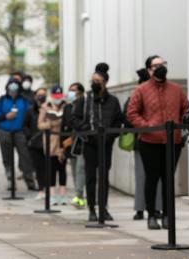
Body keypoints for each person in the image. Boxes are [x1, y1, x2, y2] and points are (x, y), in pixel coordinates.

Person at [127, 55, 188, 230]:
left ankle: (168, 216)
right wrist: (147, 126)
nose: (160, 67)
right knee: (152, 179)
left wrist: (180, 126)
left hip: (173, 141)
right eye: (156, 65)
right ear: (149, 70)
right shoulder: (141, 89)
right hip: (149, 142)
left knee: (168, 179)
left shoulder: (176, 89)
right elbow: (132, 113)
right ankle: (152, 215)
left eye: (163, 64)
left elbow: (186, 109)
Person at [71, 63, 122, 221]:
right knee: (91, 177)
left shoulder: (113, 101)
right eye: (92, 80)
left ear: (105, 82)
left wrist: (110, 136)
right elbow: (74, 118)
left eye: (97, 80)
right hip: (89, 144)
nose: (94, 83)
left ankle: (103, 208)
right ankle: (92, 208)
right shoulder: (85, 99)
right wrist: (87, 130)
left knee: (104, 177)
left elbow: (117, 121)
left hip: (106, 144)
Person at [125, 69, 163, 220]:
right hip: (142, 141)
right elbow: (128, 116)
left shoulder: (156, 95)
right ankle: (143, 208)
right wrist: (146, 125)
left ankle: (153, 208)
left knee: (152, 177)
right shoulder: (137, 94)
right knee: (144, 177)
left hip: (155, 140)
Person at [0, 78, 36, 191]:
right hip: (5, 132)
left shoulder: (23, 100)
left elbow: (30, 113)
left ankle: (30, 181)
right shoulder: (2, 100)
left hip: (20, 132)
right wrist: (6, 116)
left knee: (25, 157)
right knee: (7, 158)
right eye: (10, 86)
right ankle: (10, 182)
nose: (13, 89)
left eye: (15, 86)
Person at [38, 85, 68, 205]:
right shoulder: (46, 107)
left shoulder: (66, 106)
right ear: (51, 96)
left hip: (63, 142)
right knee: (51, 170)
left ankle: (63, 195)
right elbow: (40, 125)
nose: (58, 99)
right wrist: (50, 123)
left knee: (62, 169)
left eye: (59, 96)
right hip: (50, 142)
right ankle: (52, 196)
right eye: (55, 96)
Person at [63, 82, 87, 209]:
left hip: (82, 141)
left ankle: (79, 196)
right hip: (69, 142)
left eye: (73, 90)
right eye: (69, 90)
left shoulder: (85, 105)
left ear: (81, 92)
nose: (71, 93)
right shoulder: (67, 107)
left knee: (80, 168)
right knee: (73, 168)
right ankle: (79, 196)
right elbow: (64, 125)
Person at [23, 87, 48, 200]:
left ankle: (49, 189)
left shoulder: (50, 108)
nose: (41, 97)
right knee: (38, 168)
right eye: (39, 94)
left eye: (43, 94)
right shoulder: (30, 110)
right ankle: (41, 189)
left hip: (47, 143)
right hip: (35, 143)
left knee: (48, 167)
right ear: (35, 96)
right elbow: (25, 125)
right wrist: (30, 137)